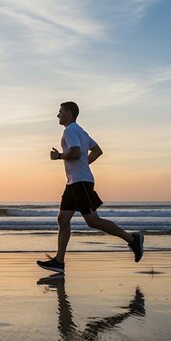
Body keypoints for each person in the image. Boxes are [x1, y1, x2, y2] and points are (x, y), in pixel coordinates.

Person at [36, 101, 144, 273]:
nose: (58, 115)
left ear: (69, 114)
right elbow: (97, 151)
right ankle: (59, 262)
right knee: (62, 220)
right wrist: (83, 164)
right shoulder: (81, 131)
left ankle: (132, 239)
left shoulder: (70, 130)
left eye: (60, 112)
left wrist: (59, 156)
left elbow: (76, 152)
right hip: (73, 182)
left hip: (80, 182)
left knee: (93, 221)